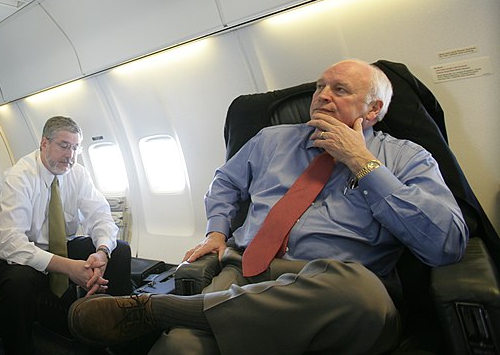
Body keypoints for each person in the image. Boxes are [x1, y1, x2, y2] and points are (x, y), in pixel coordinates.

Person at [68, 59, 468, 354]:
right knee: (181, 350)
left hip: (335, 291)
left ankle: (161, 309)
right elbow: (225, 182)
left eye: (340, 90)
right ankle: (183, 317)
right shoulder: (271, 139)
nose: (323, 95)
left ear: (374, 110)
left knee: (361, 293)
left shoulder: (406, 158)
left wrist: (361, 163)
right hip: (245, 270)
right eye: (320, 86)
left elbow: (445, 243)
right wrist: (217, 231)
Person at [0, 116, 132, 354]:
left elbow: (101, 215)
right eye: (64, 146)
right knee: (18, 282)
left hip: (57, 247)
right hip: (8, 255)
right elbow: (10, 244)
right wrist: (69, 267)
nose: (70, 155)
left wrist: (102, 252)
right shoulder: (18, 177)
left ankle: (117, 334)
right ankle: (19, 348)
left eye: (75, 148)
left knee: (120, 250)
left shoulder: (78, 174)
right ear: (44, 143)